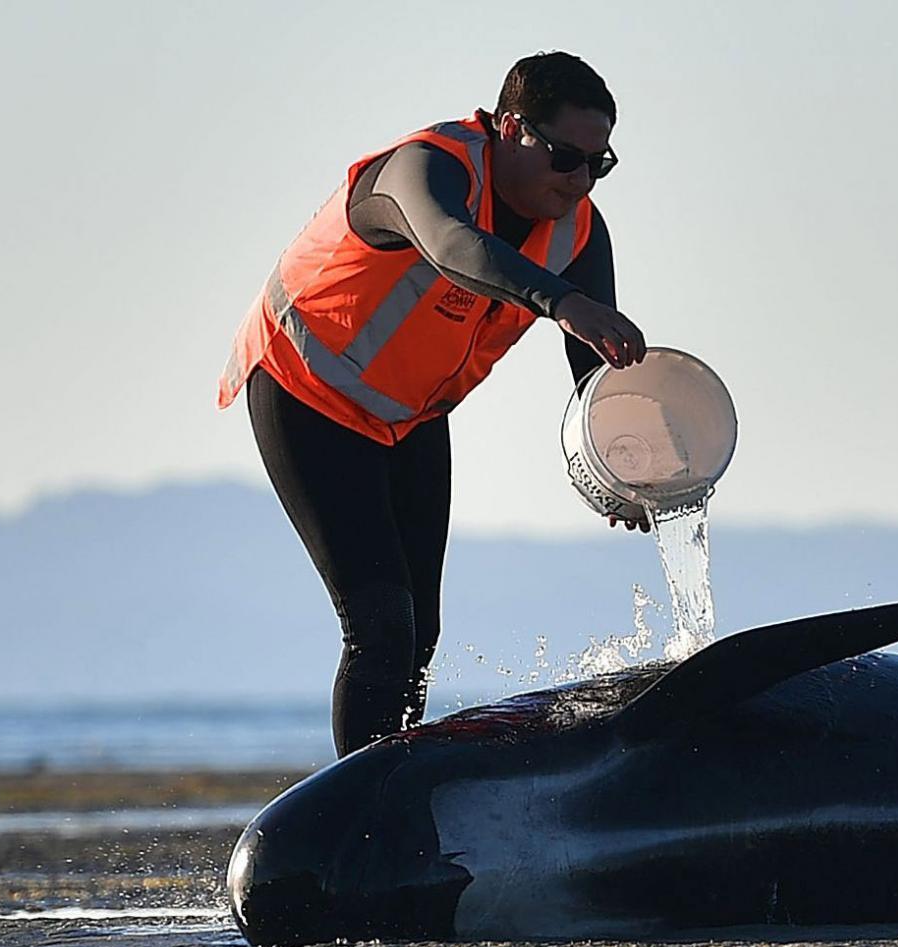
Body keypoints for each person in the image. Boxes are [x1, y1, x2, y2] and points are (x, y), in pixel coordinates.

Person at [220, 52, 649, 756]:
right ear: (512, 128)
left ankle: (395, 798)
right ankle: (360, 825)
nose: (578, 182)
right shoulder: (423, 171)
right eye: (566, 157)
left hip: (408, 418)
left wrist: (626, 467)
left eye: (598, 166)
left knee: (420, 633)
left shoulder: (577, 232)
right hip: (306, 392)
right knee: (379, 625)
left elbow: (592, 368)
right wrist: (562, 300)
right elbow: (453, 246)